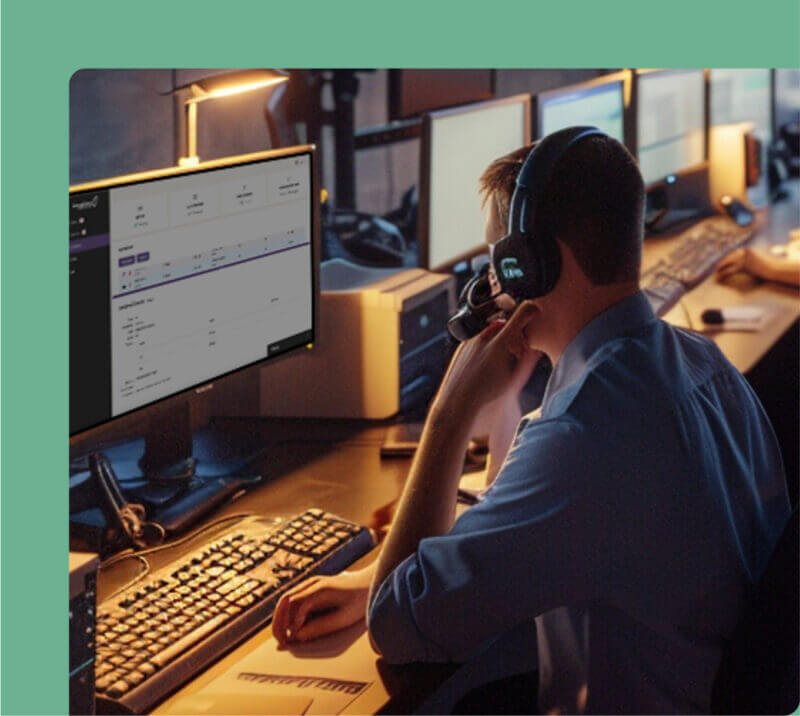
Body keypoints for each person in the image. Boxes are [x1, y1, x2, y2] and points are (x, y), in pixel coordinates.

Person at [273, 132, 791, 714]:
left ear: (533, 265)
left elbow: (396, 623)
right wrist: (374, 576)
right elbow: (526, 529)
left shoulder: (583, 437)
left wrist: (448, 416)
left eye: (498, 258)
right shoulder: (700, 364)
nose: (493, 283)